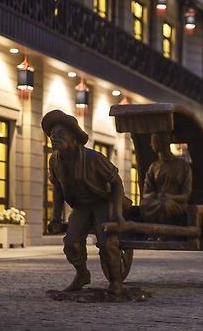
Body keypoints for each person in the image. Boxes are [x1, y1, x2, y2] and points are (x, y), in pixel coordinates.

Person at [41, 109, 131, 295]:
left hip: (103, 202)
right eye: (52, 135)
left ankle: (116, 282)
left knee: (107, 243)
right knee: (71, 242)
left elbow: (116, 183)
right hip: (82, 206)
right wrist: (56, 217)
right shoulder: (54, 161)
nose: (54, 137)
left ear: (73, 136)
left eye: (60, 134)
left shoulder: (93, 158)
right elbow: (58, 191)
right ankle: (82, 274)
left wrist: (116, 213)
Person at [139, 132, 192, 224]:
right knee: (145, 204)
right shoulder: (154, 167)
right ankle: (152, 231)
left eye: (153, 141)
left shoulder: (183, 166)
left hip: (176, 204)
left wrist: (169, 196)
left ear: (162, 143)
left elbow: (186, 196)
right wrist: (153, 195)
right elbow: (146, 194)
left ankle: (163, 233)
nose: (151, 144)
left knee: (164, 205)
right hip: (157, 201)